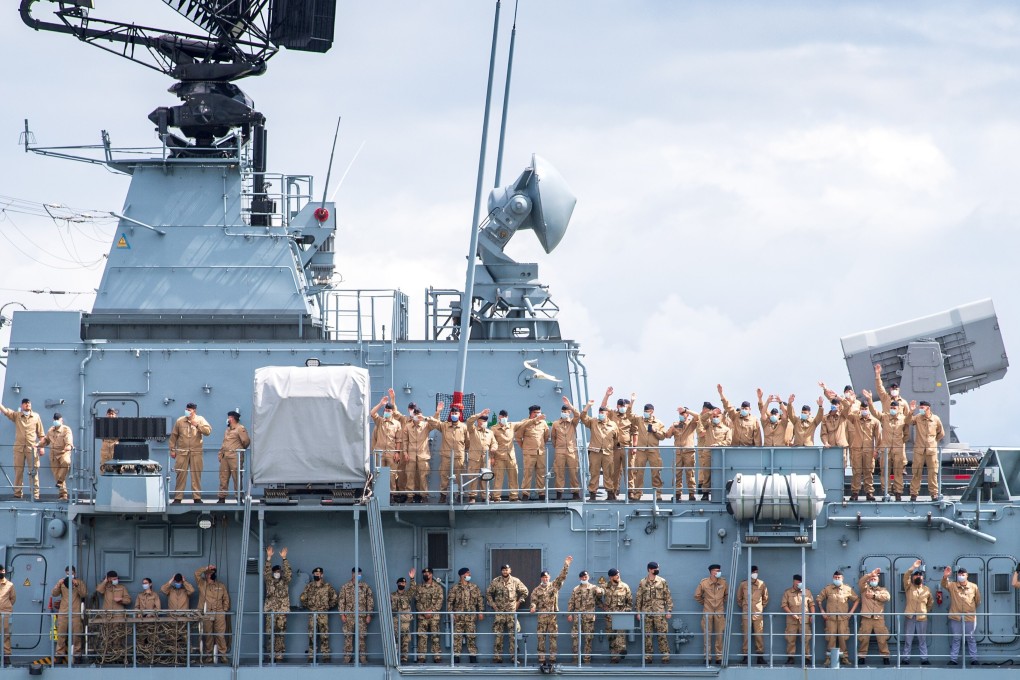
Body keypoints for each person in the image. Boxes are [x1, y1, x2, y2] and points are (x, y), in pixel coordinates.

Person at [862, 389, 911, 501]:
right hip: (886, 450)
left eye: (895, 408)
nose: (893, 409)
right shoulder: (884, 417)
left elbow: (907, 433)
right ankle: (886, 492)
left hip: (898, 450)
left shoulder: (903, 419)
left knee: (898, 472)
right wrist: (869, 400)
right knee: (885, 472)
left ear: (899, 409)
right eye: (891, 408)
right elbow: (874, 412)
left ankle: (898, 493)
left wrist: (901, 442)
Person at [1, 398, 45, 500]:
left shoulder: (36, 416)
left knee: (33, 471)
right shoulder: (17, 415)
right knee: (18, 471)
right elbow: (7, 412)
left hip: (32, 448)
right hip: (19, 448)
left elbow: (41, 433)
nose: (27, 405)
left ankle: (35, 495)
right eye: (25, 403)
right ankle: (17, 493)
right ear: (22, 405)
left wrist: (41, 447)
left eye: (29, 403)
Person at [530, 556, 571, 666]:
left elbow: (562, 577)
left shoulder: (554, 586)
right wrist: (533, 607)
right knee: (541, 638)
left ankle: (552, 658)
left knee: (553, 638)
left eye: (546, 577)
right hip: (542, 618)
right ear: (541, 578)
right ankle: (541, 659)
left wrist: (566, 565)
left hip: (552, 618)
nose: (545, 579)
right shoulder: (536, 590)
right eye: (543, 577)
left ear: (549, 577)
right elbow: (533, 601)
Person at [169, 403, 212, 504]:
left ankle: (197, 497)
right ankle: (178, 497)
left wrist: (197, 425)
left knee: (196, 475)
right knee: (180, 474)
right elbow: (174, 436)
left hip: (196, 452)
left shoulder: (200, 419)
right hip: (182, 452)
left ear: (194, 411)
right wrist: (172, 449)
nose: (187, 411)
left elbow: (208, 431)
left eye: (190, 410)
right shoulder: (180, 421)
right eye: (186, 409)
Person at [426, 401, 468, 504]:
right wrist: (438, 412)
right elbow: (434, 423)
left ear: (459, 415)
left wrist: (462, 450)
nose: (454, 415)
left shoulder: (464, 427)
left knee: (459, 477)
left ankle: (460, 494)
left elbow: (467, 441)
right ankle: (443, 495)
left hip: (459, 456)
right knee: (444, 476)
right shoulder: (444, 426)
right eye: (452, 414)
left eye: (456, 413)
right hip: (446, 456)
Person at [486, 563, 528, 663]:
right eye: (503, 570)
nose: (505, 571)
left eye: (507, 569)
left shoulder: (515, 581)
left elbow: (525, 592)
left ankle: (514, 657)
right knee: (498, 635)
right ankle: (497, 657)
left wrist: (518, 602)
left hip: (511, 613)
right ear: (502, 571)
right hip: (499, 612)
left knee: (513, 635)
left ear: (510, 570)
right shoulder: (496, 581)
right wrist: (493, 605)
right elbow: (488, 593)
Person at [602, 388, 640, 501]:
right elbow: (603, 407)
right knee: (614, 471)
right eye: (621, 405)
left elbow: (635, 432)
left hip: (627, 447)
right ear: (618, 406)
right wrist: (607, 395)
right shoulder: (612, 414)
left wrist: (634, 447)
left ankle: (630, 492)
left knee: (630, 470)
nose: (623, 407)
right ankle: (613, 492)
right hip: (614, 448)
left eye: (625, 405)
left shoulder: (630, 417)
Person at [815, 569, 858, 666]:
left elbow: (856, 600)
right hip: (830, 619)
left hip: (843, 619)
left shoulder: (848, 589)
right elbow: (819, 599)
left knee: (843, 638)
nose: (837, 579)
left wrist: (851, 612)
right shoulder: (828, 589)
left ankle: (844, 658)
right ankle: (829, 658)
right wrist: (822, 611)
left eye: (839, 577)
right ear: (833, 578)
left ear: (842, 578)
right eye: (835, 577)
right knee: (831, 638)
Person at [579, 402, 619, 501]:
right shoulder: (593, 422)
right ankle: (593, 494)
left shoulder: (613, 425)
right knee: (594, 473)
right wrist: (587, 406)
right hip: (595, 452)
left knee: (609, 473)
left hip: (607, 452)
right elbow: (583, 417)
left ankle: (610, 494)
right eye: (599, 412)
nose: (600, 414)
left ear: (607, 413)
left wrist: (610, 447)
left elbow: (616, 439)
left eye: (602, 412)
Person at [843, 398, 881, 501]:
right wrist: (849, 405)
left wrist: (876, 450)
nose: (864, 410)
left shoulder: (875, 421)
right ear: (860, 409)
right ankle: (855, 493)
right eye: (862, 408)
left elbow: (878, 437)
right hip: (857, 449)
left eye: (865, 408)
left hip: (869, 450)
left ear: (868, 408)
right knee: (856, 472)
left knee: (868, 472)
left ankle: (869, 493)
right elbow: (845, 414)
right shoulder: (855, 419)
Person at [941, 566, 980, 666]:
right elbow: (944, 585)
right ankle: (953, 659)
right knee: (956, 638)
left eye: (963, 575)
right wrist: (945, 576)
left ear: (967, 576)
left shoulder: (974, 586)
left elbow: (977, 601)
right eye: (959, 574)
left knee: (970, 638)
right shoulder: (953, 585)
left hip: (970, 617)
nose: (961, 576)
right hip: (956, 617)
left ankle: (974, 659)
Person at [908, 400, 945, 502]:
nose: (921, 409)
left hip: (931, 450)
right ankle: (914, 494)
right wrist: (911, 411)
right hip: (919, 450)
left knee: (933, 473)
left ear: (928, 408)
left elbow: (941, 433)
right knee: (916, 472)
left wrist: (933, 441)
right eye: (920, 408)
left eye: (922, 408)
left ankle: (934, 494)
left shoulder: (936, 419)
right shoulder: (918, 418)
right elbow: (908, 421)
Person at [636, 561, 672, 664]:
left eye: (658, 568)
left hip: (659, 613)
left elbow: (667, 596)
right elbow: (639, 598)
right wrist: (638, 612)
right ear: (650, 570)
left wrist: (669, 610)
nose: (658, 570)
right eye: (656, 568)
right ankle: (648, 656)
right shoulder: (642, 582)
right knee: (647, 635)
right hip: (646, 613)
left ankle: (665, 656)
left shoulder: (662, 581)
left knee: (662, 634)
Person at [567, 569, 607, 664]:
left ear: (588, 577)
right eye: (582, 577)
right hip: (577, 617)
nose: (584, 578)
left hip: (589, 617)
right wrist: (569, 614)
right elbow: (571, 602)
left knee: (588, 638)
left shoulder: (593, 588)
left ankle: (587, 659)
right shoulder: (576, 589)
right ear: (580, 578)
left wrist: (599, 590)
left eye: (586, 576)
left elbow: (600, 595)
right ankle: (576, 658)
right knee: (575, 638)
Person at [299, 566, 337, 662]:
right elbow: (303, 598)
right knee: (312, 635)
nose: (317, 575)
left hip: (323, 613)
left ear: (322, 575)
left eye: (318, 574)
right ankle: (312, 656)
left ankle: (326, 655)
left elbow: (335, 598)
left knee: (324, 634)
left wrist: (327, 606)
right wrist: (309, 606)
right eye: (315, 574)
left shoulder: (327, 586)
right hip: (313, 613)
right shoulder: (309, 586)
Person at [194, 564, 230, 663]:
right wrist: (206, 567)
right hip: (206, 613)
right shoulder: (202, 584)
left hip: (219, 613)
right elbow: (196, 574)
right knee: (208, 635)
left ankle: (223, 655)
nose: (211, 575)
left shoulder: (221, 585)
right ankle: (209, 655)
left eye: (213, 573)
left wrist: (224, 609)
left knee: (220, 635)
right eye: (209, 573)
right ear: (206, 575)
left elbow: (226, 598)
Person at [631, 403, 668, 501]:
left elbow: (663, 436)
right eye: (645, 412)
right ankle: (638, 493)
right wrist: (632, 402)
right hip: (641, 450)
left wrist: (655, 431)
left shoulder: (658, 422)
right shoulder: (640, 420)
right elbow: (629, 415)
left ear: (652, 411)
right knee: (639, 472)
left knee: (656, 472)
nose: (646, 413)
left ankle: (657, 493)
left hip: (653, 450)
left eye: (648, 412)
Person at [338, 567, 374, 664]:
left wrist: (369, 614)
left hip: (362, 617)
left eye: (359, 574)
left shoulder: (365, 587)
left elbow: (369, 601)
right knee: (348, 636)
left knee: (362, 637)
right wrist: (342, 614)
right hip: (349, 616)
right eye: (356, 574)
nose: (358, 575)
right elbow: (342, 601)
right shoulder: (345, 586)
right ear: (352, 574)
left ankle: (362, 657)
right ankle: (347, 657)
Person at [371, 395, 404, 501]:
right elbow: (372, 413)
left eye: (388, 410)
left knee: (392, 474)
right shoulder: (380, 421)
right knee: (379, 474)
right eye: (385, 410)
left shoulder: (397, 424)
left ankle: (392, 494)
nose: (386, 412)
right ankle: (379, 494)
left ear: (392, 412)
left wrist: (397, 452)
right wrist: (381, 404)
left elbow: (398, 440)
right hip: (379, 452)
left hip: (391, 452)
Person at [51, 567, 87, 664]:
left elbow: (83, 594)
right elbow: (54, 593)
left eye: (71, 573)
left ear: (75, 573)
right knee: (61, 634)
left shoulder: (79, 582)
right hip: (63, 612)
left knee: (77, 635)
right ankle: (59, 655)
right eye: (68, 573)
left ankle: (77, 655)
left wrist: (77, 585)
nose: (69, 575)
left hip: (76, 612)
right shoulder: (62, 582)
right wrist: (58, 584)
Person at [447, 567, 483, 663]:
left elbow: (480, 600)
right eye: (467, 573)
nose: (469, 574)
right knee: (457, 638)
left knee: (471, 637)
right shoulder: (455, 588)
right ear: (462, 575)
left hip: (471, 617)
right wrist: (452, 614)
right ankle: (456, 658)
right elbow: (450, 602)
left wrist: (481, 612)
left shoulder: (474, 587)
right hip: (458, 618)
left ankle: (473, 658)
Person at [516, 405, 551, 500]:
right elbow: (518, 437)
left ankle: (541, 493)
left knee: (541, 473)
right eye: (536, 412)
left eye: (539, 412)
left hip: (540, 452)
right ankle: (525, 493)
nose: (539, 414)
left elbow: (546, 436)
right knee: (527, 473)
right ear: (532, 413)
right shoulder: (524, 422)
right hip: (528, 453)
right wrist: (525, 447)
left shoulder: (543, 423)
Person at [856, 567, 891, 665]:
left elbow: (887, 597)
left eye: (874, 579)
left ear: (878, 580)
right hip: (866, 618)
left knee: (882, 639)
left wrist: (875, 596)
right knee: (864, 639)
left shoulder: (882, 590)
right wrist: (870, 574)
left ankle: (885, 657)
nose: (873, 580)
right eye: (871, 579)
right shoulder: (864, 589)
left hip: (878, 618)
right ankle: (862, 657)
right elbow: (861, 582)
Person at [694, 564, 728, 664]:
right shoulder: (704, 583)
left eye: (719, 570)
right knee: (707, 634)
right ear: (711, 572)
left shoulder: (723, 582)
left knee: (719, 635)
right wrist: (705, 603)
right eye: (716, 570)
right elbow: (697, 595)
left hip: (719, 611)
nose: (718, 572)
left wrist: (721, 603)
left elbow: (727, 595)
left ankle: (719, 657)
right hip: (707, 612)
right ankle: (707, 657)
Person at [697, 405, 732, 500]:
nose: (715, 418)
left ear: (721, 417)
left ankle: (720, 493)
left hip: (720, 454)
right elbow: (702, 419)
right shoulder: (708, 426)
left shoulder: (726, 429)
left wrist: (719, 444)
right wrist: (711, 412)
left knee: (720, 473)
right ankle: (705, 493)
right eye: (714, 417)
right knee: (706, 473)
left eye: (717, 416)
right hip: (708, 453)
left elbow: (728, 441)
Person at [96, 570, 131, 662]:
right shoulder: (106, 587)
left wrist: (121, 600)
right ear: (109, 579)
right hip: (107, 616)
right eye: (114, 578)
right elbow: (99, 590)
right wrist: (105, 581)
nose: (116, 580)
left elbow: (128, 600)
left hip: (118, 615)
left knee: (118, 636)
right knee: (106, 636)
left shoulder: (122, 588)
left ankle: (117, 656)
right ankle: (107, 657)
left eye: (116, 578)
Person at [736, 565, 769, 665]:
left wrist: (760, 608)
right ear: (750, 573)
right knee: (746, 635)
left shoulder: (762, 584)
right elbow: (739, 598)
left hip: (758, 614)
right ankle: (745, 657)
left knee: (759, 635)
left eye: (756, 572)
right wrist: (745, 606)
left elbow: (765, 598)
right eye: (754, 572)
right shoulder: (743, 584)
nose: (755, 573)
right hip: (746, 613)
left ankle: (760, 657)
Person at [902, 560, 933, 666]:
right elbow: (906, 576)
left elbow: (930, 603)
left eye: (920, 575)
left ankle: (924, 658)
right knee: (908, 639)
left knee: (922, 639)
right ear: (913, 578)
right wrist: (913, 567)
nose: (918, 576)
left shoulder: (927, 589)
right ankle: (905, 658)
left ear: (923, 578)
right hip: (910, 617)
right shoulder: (909, 587)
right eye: (916, 575)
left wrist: (924, 611)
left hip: (922, 618)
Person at [550, 399, 582, 500]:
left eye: (566, 412)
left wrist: (570, 406)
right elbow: (553, 437)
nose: (564, 413)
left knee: (573, 472)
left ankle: (575, 492)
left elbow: (578, 415)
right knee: (559, 472)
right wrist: (558, 447)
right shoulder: (556, 424)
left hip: (571, 450)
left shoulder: (573, 422)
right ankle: (559, 493)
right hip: (560, 451)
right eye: (563, 411)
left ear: (569, 413)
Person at [397, 407, 431, 503]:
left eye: (418, 414)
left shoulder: (426, 425)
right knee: (410, 475)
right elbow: (405, 441)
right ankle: (410, 496)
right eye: (416, 414)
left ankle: (424, 496)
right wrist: (405, 453)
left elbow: (436, 424)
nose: (417, 416)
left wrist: (424, 418)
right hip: (411, 455)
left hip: (423, 455)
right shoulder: (407, 426)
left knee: (423, 476)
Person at [264, 546, 291, 662]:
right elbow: (266, 572)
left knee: (281, 634)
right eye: (275, 572)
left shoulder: (284, 581)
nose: (277, 573)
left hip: (282, 611)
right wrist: (269, 557)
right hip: (270, 611)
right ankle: (271, 654)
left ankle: (279, 655)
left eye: (279, 572)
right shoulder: (269, 580)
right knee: (270, 634)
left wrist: (284, 558)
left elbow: (288, 573)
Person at [216, 410, 250, 503]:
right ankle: (222, 497)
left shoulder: (240, 428)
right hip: (225, 456)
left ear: (232, 418)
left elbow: (246, 441)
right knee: (223, 477)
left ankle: (238, 497)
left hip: (235, 457)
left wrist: (239, 450)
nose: (227, 419)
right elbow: (224, 443)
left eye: (229, 417)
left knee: (237, 477)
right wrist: (220, 454)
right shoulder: (227, 429)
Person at [410, 567, 443, 663]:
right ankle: (421, 657)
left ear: (431, 574)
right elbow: (417, 601)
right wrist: (424, 611)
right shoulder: (419, 587)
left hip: (434, 616)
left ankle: (437, 657)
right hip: (422, 616)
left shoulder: (438, 587)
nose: (425, 575)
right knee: (422, 636)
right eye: (424, 573)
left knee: (435, 636)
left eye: (427, 573)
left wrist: (431, 611)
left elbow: (440, 601)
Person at [666, 407, 700, 501]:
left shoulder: (691, 423)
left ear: (687, 414)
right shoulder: (675, 424)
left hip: (688, 452)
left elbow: (698, 416)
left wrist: (686, 410)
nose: (681, 415)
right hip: (678, 453)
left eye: (683, 414)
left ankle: (691, 494)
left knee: (690, 473)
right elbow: (667, 435)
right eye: (680, 414)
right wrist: (672, 428)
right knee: (677, 474)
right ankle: (677, 494)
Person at [780, 574, 814, 666]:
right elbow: (784, 605)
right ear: (794, 581)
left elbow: (811, 604)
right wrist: (792, 614)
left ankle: (807, 658)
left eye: (801, 582)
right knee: (791, 640)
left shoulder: (807, 592)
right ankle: (791, 658)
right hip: (792, 621)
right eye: (798, 581)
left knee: (805, 640)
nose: (800, 583)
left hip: (805, 620)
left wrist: (812, 615)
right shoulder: (787, 592)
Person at [599, 567, 631, 663]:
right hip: (609, 616)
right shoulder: (605, 587)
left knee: (621, 634)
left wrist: (626, 611)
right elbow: (596, 598)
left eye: (618, 574)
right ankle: (614, 657)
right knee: (611, 637)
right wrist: (602, 606)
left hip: (621, 615)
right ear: (611, 577)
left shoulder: (624, 586)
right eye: (616, 575)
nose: (618, 576)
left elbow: (629, 601)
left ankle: (622, 650)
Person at [464, 410, 496, 503]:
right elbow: (469, 421)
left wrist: (493, 448)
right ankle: (472, 496)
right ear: (478, 421)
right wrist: (480, 414)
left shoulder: (490, 432)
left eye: (486, 420)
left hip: (486, 459)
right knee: (473, 477)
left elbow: (494, 443)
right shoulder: (472, 430)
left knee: (486, 477)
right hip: (474, 458)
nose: (484, 422)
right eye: (482, 420)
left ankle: (485, 496)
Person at [40, 412, 73, 500]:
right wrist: (38, 445)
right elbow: (46, 440)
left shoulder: (66, 429)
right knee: (56, 475)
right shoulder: (51, 430)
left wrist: (69, 446)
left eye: (57, 419)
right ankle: (63, 495)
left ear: (61, 420)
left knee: (66, 462)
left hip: (63, 452)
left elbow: (68, 439)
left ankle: (60, 481)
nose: (56, 421)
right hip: (53, 455)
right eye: (55, 419)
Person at [489, 409, 521, 502]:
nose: (503, 418)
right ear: (499, 417)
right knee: (498, 478)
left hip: (511, 457)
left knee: (513, 477)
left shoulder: (512, 426)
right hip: (499, 457)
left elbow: (524, 423)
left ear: (508, 417)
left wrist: (536, 419)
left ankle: (514, 497)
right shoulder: (493, 429)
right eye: (502, 416)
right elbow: (491, 443)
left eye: (505, 416)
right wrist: (492, 458)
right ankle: (496, 497)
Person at [391, 577, 413, 663]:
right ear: (397, 584)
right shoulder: (392, 595)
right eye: (400, 583)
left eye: (403, 583)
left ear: (405, 584)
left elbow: (413, 589)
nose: (401, 584)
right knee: (395, 639)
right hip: (395, 620)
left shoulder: (408, 595)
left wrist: (412, 578)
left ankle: (404, 658)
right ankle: (395, 657)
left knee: (405, 640)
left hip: (405, 621)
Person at [0, 566, 15, 663]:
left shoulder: (10, 585)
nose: (2, 572)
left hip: (5, 613)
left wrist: (6, 607)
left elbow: (12, 599)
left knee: (6, 634)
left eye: (3, 570)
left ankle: (6, 656)